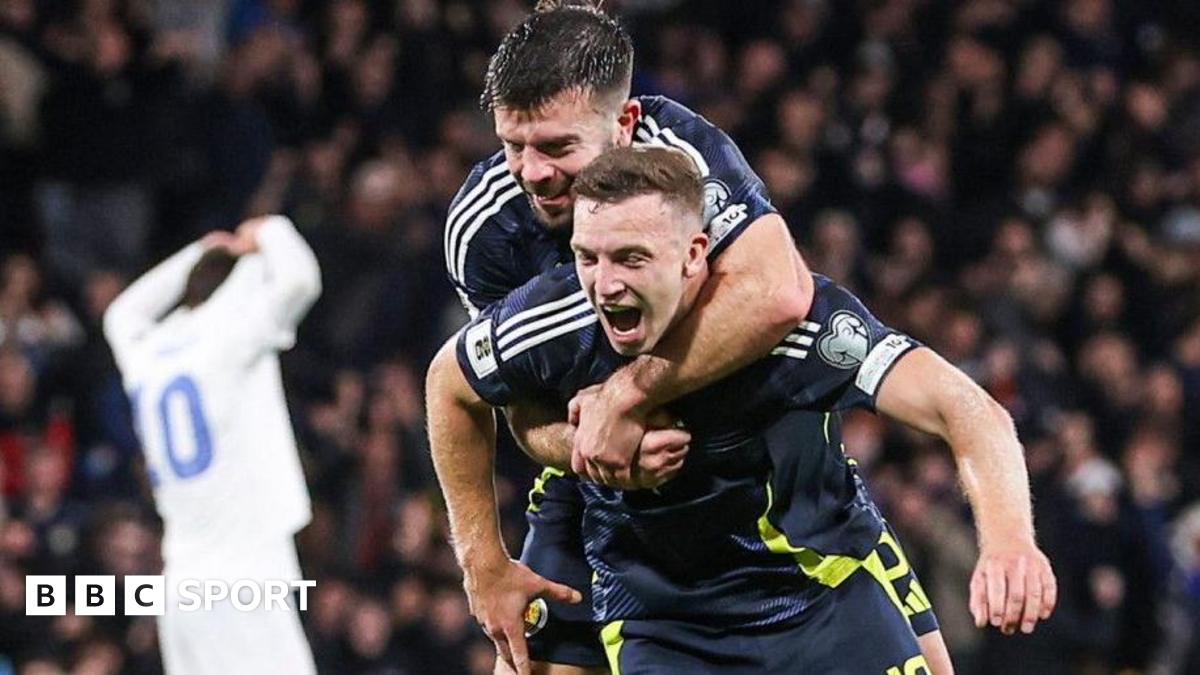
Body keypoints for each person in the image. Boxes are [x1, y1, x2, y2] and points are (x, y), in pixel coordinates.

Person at [429, 147, 1056, 673]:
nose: (603, 284)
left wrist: (1008, 542)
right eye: (587, 257)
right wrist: (484, 566)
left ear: (696, 252)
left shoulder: (796, 327)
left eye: (631, 258)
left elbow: (966, 408)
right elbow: (449, 386)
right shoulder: (554, 319)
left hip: (817, 585)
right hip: (665, 619)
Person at [444, 2, 822, 672]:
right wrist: (590, 451)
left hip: (753, 467)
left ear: (622, 126)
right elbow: (512, 408)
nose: (531, 172)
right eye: (512, 145)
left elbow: (780, 292)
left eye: (558, 147)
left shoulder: (682, 158)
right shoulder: (485, 229)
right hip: (594, 493)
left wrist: (628, 393)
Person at [103, 215, 320, 675]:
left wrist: (198, 251)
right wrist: (269, 230)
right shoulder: (232, 336)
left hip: (183, 580)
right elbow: (301, 278)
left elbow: (120, 313)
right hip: (245, 574)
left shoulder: (147, 351)